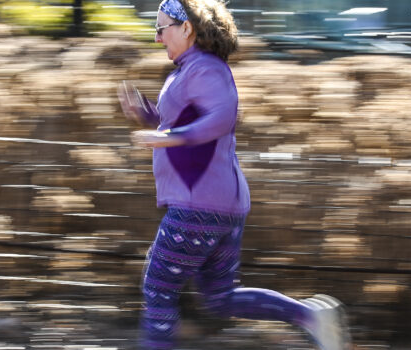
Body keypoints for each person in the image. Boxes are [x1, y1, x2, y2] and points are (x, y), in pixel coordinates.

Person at [117, 0, 351, 349]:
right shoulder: (188, 69)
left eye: (161, 28)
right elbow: (186, 123)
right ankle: (309, 316)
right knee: (219, 297)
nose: (156, 38)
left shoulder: (206, 68)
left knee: (158, 287)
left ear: (186, 28)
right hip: (218, 203)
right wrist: (149, 117)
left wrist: (168, 137)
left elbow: (221, 118)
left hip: (199, 203)